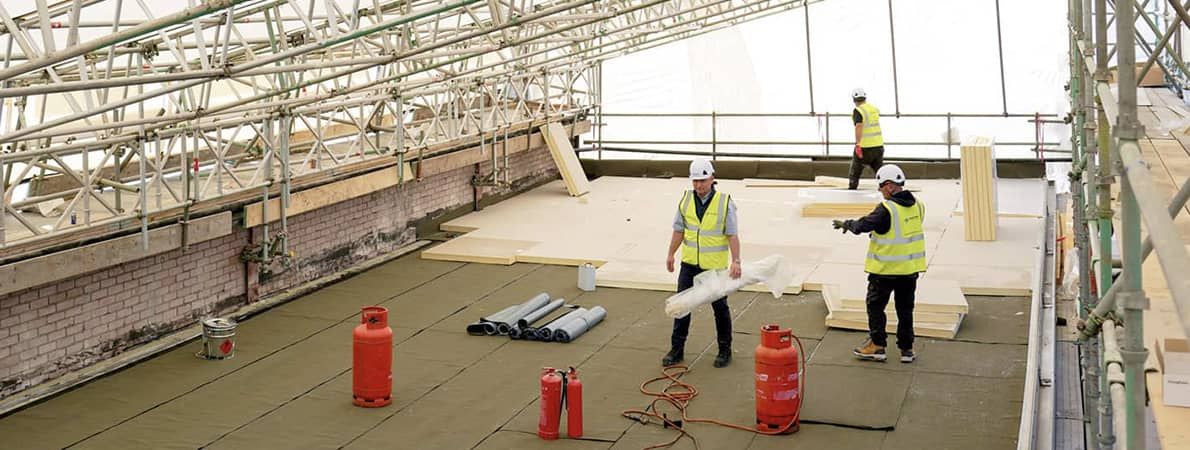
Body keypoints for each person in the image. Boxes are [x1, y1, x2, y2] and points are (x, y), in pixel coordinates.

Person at [831, 164, 922, 363]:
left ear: (889, 186)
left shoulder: (887, 208)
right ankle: (907, 349)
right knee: (905, 310)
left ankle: (877, 345)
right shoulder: (918, 205)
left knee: (875, 307)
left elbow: (864, 224)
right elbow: (904, 232)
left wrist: (847, 224)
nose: (880, 191)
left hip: (885, 272)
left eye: (881, 186)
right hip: (910, 271)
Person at [664, 158, 742, 368]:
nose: (699, 185)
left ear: (712, 179)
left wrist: (736, 261)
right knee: (682, 306)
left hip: (713, 268)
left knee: (720, 308)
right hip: (689, 264)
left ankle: (724, 350)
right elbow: (679, 230)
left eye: (703, 180)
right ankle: (676, 350)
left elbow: (732, 235)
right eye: (695, 181)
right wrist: (671, 254)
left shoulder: (725, 203)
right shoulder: (686, 200)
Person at [849, 88, 885, 190]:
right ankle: (884, 187)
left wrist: (858, 144)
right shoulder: (874, 109)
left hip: (865, 146)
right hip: (878, 145)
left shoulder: (858, 110)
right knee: (879, 169)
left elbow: (859, 126)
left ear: (854, 100)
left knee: (856, 169)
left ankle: (852, 188)